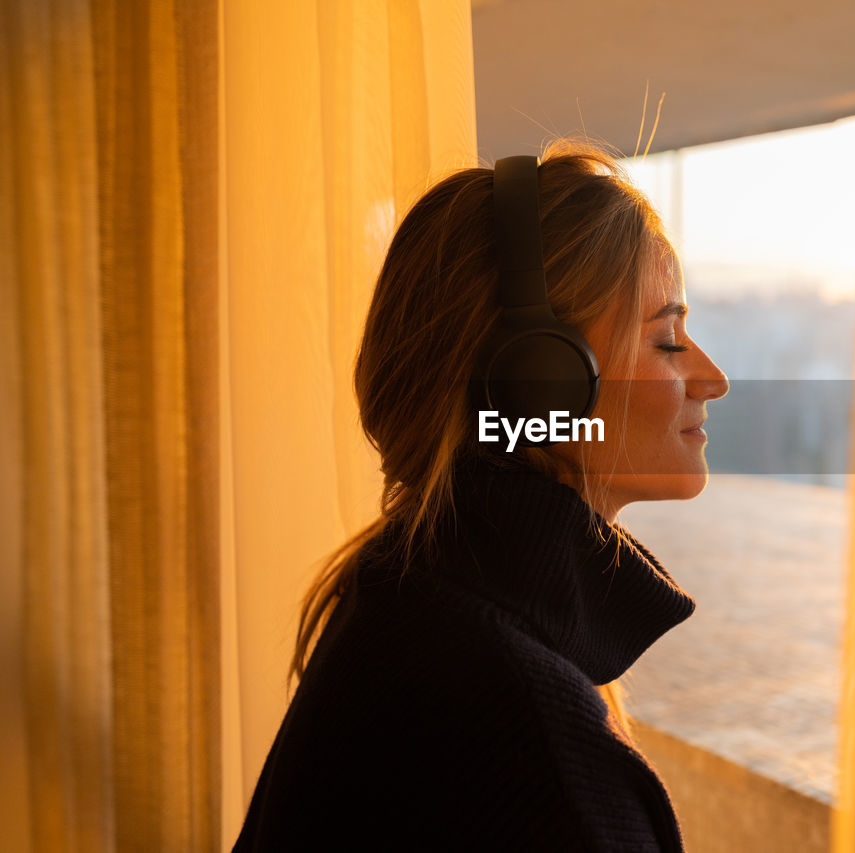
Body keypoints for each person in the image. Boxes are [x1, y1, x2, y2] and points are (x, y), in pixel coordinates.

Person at [233, 139, 729, 851]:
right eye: (667, 338)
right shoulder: (529, 739)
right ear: (542, 382)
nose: (711, 377)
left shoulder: (405, 595)